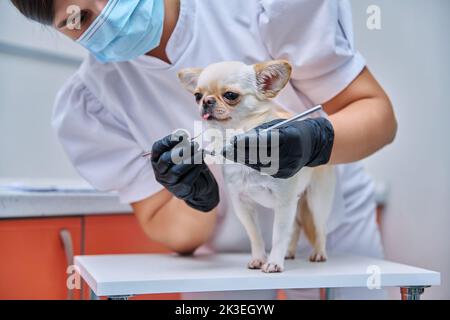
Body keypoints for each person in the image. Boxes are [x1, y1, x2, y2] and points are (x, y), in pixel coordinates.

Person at [11, 0, 397, 299]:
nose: (105, 16)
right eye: (74, 19)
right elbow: (179, 232)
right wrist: (193, 196)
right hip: (225, 263)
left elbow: (378, 116)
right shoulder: (93, 104)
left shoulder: (258, 7)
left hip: (332, 232)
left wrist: (314, 142)